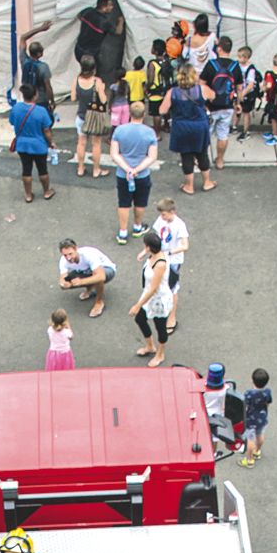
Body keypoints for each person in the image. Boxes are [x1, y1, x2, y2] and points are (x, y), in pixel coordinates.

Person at [161, 66, 216, 194]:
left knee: (186, 156)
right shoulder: (202, 89)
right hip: (199, 126)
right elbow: (213, 96)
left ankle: (189, 186)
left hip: (181, 127)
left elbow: (162, 110)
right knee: (202, 154)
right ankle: (207, 182)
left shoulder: (172, 92)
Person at [109, 105, 158, 240]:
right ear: (144, 114)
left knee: (123, 202)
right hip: (142, 174)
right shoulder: (150, 132)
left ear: (130, 113)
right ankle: (137, 226)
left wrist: (128, 169)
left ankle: (123, 232)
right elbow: (152, 156)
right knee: (140, 202)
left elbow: (114, 154)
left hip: (123, 174)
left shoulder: (119, 130)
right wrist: (137, 169)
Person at [130, 230, 174, 368]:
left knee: (160, 327)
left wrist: (138, 305)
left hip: (158, 299)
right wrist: (144, 253)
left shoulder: (160, 264)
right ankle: (150, 346)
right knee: (140, 319)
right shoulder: (154, 255)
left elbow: (154, 288)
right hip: (148, 295)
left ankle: (160, 354)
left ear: (149, 246)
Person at [8, 84, 57, 203]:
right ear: (35, 96)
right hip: (39, 145)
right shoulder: (41, 111)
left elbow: (12, 122)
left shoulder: (16, 108)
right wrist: (51, 143)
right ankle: (46, 191)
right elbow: (47, 131)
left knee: (26, 169)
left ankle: (28, 195)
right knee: (42, 170)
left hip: (22, 145)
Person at [200, 40, 243, 169]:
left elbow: (201, 84)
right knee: (223, 134)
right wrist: (238, 104)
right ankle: (220, 160)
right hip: (228, 106)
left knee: (206, 134)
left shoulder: (211, 65)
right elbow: (239, 88)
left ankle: (202, 160)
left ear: (219, 49)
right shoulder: (235, 66)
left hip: (210, 107)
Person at [147, 198, 188, 329]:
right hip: (160, 258)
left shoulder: (180, 225)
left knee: (172, 289)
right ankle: (159, 306)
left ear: (172, 212)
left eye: (164, 214)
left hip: (172, 262)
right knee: (158, 282)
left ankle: (172, 317)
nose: (162, 217)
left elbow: (185, 245)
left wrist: (169, 253)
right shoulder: (161, 220)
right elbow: (157, 237)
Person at [71, 57, 112, 179]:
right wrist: (102, 89)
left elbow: (73, 98)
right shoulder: (97, 81)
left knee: (81, 143)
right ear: (94, 68)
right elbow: (104, 100)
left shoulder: (76, 80)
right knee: (96, 144)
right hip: (94, 117)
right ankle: (96, 170)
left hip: (81, 116)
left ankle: (80, 168)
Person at [58, 239, 117, 318]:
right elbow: (62, 278)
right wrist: (64, 284)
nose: (68, 258)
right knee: (70, 279)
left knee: (98, 279)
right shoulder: (63, 261)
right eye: (65, 255)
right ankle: (90, 288)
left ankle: (99, 302)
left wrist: (81, 282)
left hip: (107, 270)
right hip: (87, 271)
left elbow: (101, 276)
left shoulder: (88, 255)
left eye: (70, 254)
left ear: (76, 249)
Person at [239, 368, 272, 466]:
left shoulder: (249, 393)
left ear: (252, 380)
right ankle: (257, 451)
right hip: (262, 418)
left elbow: (244, 406)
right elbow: (268, 403)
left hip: (250, 419)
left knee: (250, 440)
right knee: (260, 434)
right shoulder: (267, 392)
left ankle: (249, 460)